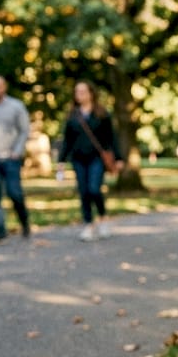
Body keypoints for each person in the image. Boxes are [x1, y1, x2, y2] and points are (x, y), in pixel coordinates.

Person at [57, 81, 123, 241]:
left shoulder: (101, 114)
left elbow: (111, 138)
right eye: (77, 92)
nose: (79, 95)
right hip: (78, 158)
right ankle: (88, 224)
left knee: (94, 189)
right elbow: (67, 140)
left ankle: (102, 217)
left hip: (97, 158)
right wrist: (61, 160)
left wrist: (119, 157)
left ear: (91, 93)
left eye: (83, 91)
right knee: (83, 191)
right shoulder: (73, 115)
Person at [0, 73, 33, 241]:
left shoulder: (16, 106)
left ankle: (24, 222)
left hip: (11, 158)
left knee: (15, 193)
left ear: (4, 87)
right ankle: (0, 231)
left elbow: (24, 130)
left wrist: (18, 150)